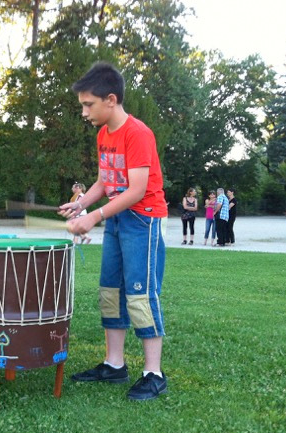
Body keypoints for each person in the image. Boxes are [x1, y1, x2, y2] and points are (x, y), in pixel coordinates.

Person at [58, 62, 168, 401]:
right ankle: (115, 364)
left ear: (110, 99)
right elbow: (106, 181)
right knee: (109, 292)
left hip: (142, 220)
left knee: (140, 294)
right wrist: (82, 205)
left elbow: (135, 190)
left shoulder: (138, 133)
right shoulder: (104, 134)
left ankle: (153, 373)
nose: (84, 111)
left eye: (88, 104)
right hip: (119, 220)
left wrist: (94, 218)